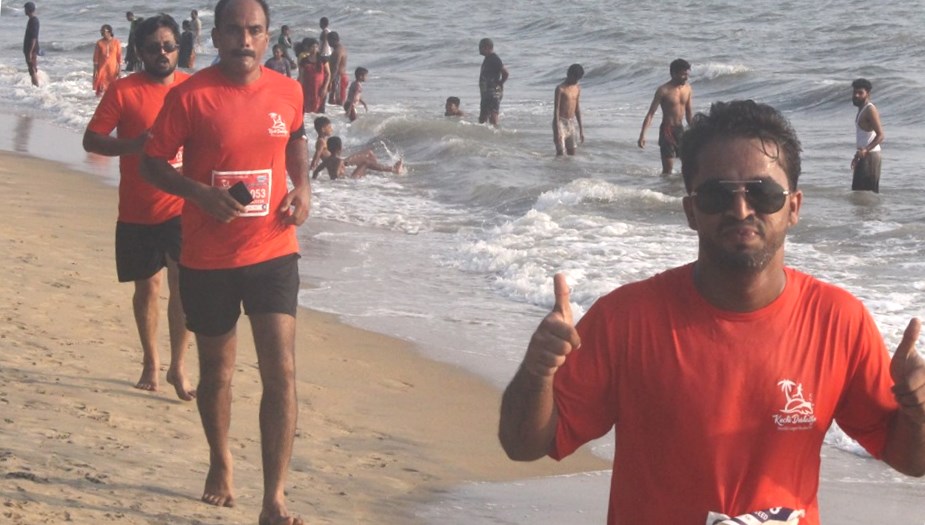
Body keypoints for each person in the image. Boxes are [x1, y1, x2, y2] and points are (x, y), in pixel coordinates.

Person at [498, 100, 925, 525]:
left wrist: (919, 408)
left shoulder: (837, 321)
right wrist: (536, 372)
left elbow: (908, 458)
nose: (741, 210)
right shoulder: (626, 319)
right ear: (691, 211)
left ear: (793, 207)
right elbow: (524, 444)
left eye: (763, 193)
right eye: (718, 194)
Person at [139, 1, 310, 523]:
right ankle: (220, 460)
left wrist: (303, 187)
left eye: (254, 30)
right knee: (218, 371)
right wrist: (198, 194)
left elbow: (296, 140)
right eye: (234, 31)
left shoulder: (289, 90)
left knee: (281, 370)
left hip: (273, 249)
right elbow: (151, 162)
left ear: (267, 37)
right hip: (208, 256)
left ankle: (274, 498)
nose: (245, 40)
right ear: (215, 37)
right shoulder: (191, 96)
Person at [82, 14, 194, 401]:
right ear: (140, 52)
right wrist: (135, 145)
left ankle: (179, 364)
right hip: (138, 208)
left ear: (179, 48)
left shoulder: (191, 88)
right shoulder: (124, 91)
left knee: (183, 285)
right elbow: (92, 140)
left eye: (169, 46)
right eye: (153, 47)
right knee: (147, 289)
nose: (162, 53)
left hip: (183, 206)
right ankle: (150, 361)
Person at [638, 58, 694, 175]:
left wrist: (695, 130)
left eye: (687, 74)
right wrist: (642, 135)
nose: (686, 77)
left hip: (681, 130)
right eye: (683, 74)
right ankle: (665, 185)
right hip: (667, 131)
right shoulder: (663, 90)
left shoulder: (688, 88)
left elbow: (689, 112)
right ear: (673, 74)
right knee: (668, 171)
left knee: (688, 166)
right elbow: (651, 113)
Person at [850, 78, 884, 193]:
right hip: (864, 155)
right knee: (858, 192)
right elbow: (864, 137)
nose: (856, 95)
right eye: (855, 92)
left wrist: (866, 150)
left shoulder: (870, 109)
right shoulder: (862, 109)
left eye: (860, 93)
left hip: (871, 156)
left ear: (868, 94)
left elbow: (881, 135)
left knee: (867, 193)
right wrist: (857, 156)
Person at [312, 136, 401, 180]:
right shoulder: (339, 161)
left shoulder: (327, 161)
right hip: (349, 180)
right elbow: (336, 174)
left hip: (344, 182)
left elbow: (316, 171)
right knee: (366, 163)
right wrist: (340, 181)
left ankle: (387, 170)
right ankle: (393, 169)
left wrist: (314, 180)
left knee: (365, 165)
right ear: (340, 148)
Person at [552, 63, 584, 156]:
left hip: (571, 123)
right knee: (560, 152)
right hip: (560, 122)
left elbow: (577, 109)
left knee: (572, 153)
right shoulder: (560, 89)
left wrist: (581, 129)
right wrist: (557, 129)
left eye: (578, 79)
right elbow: (556, 109)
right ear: (569, 74)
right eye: (575, 78)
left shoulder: (577, 88)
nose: (576, 81)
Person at [478, 38, 509, 126]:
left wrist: (500, 83)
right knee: (482, 117)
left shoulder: (494, 58)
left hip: (493, 91)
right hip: (486, 92)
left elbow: (505, 72)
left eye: (481, 47)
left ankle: (496, 131)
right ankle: (484, 132)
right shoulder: (487, 59)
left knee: (493, 114)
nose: (479, 49)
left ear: (487, 47)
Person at [297, 38, 329, 114]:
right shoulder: (304, 61)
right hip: (307, 89)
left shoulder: (323, 60)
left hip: (319, 89)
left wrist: (325, 87)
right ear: (308, 48)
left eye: (316, 47)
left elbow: (328, 74)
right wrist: (299, 89)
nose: (314, 49)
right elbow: (301, 76)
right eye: (312, 47)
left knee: (319, 111)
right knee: (307, 110)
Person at [93, 24, 123, 96]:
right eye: (101, 31)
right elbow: (95, 59)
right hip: (101, 69)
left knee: (112, 89)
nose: (102, 33)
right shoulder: (99, 43)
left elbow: (119, 57)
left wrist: (119, 71)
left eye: (104, 31)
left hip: (112, 70)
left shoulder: (116, 42)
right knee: (100, 90)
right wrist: (95, 71)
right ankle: (97, 102)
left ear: (109, 32)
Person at [326, 31, 348, 105]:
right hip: (342, 76)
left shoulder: (337, 52)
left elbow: (335, 67)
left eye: (328, 41)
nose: (328, 43)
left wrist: (330, 81)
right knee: (337, 100)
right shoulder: (342, 49)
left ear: (333, 40)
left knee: (337, 101)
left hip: (338, 77)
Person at [23, 2, 40, 87]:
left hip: (31, 49)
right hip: (29, 49)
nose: (24, 10)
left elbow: (34, 37)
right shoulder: (31, 20)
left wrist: (30, 51)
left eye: (25, 9)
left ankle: (36, 86)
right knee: (32, 69)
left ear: (29, 9)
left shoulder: (34, 21)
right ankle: (35, 87)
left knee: (32, 69)